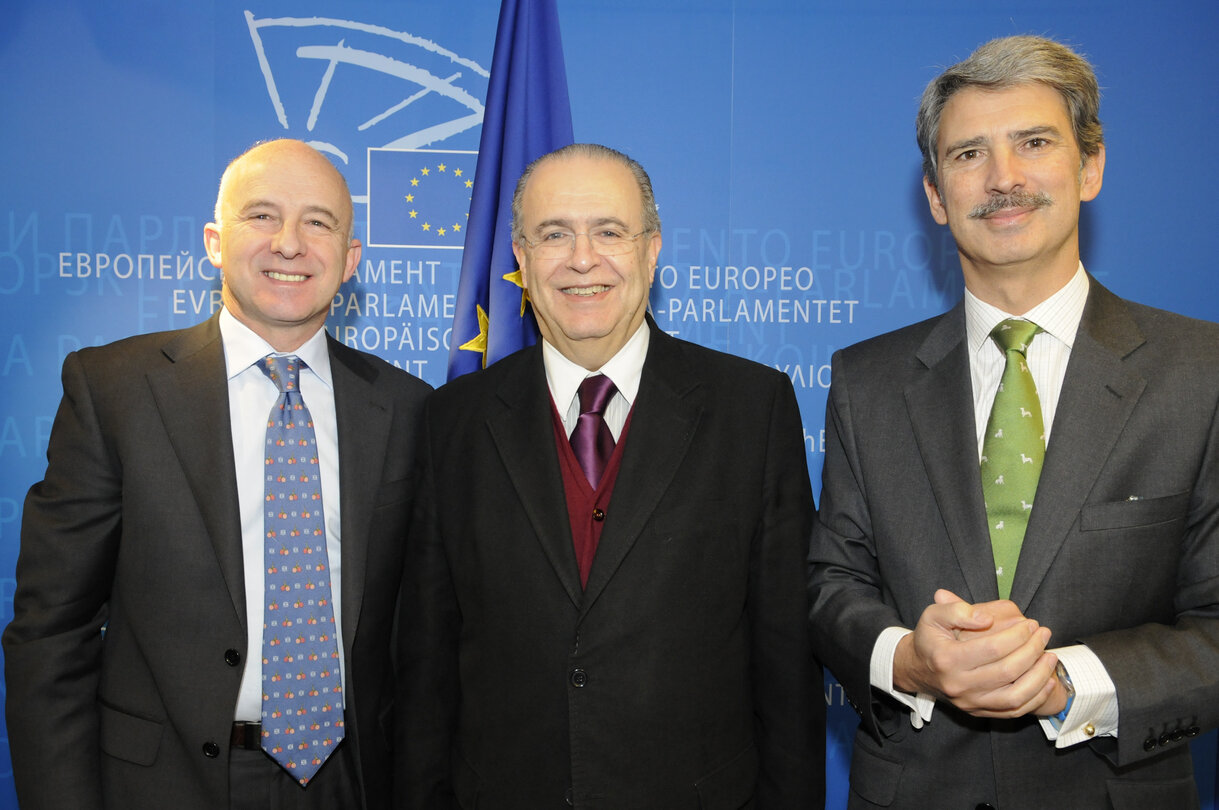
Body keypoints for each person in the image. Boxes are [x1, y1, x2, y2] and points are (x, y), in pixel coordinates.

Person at [808, 35, 1219, 809]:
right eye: (967, 154)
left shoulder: (1202, 373)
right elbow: (833, 582)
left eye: (1032, 142)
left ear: (1089, 167)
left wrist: (1070, 682)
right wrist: (907, 662)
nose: (1002, 179)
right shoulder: (865, 380)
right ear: (934, 195)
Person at [3, 139, 430, 809]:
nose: (289, 243)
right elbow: (51, 632)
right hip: (164, 783)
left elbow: (420, 635)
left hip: (352, 781)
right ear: (213, 240)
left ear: (349, 260)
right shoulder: (115, 390)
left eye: (318, 222)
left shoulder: (408, 409)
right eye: (262, 215)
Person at [397, 143, 823, 808]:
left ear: (652, 250)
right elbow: (424, 668)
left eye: (609, 232)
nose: (581, 258)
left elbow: (788, 661)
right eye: (553, 234)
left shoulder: (752, 407)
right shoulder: (450, 421)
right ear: (520, 257)